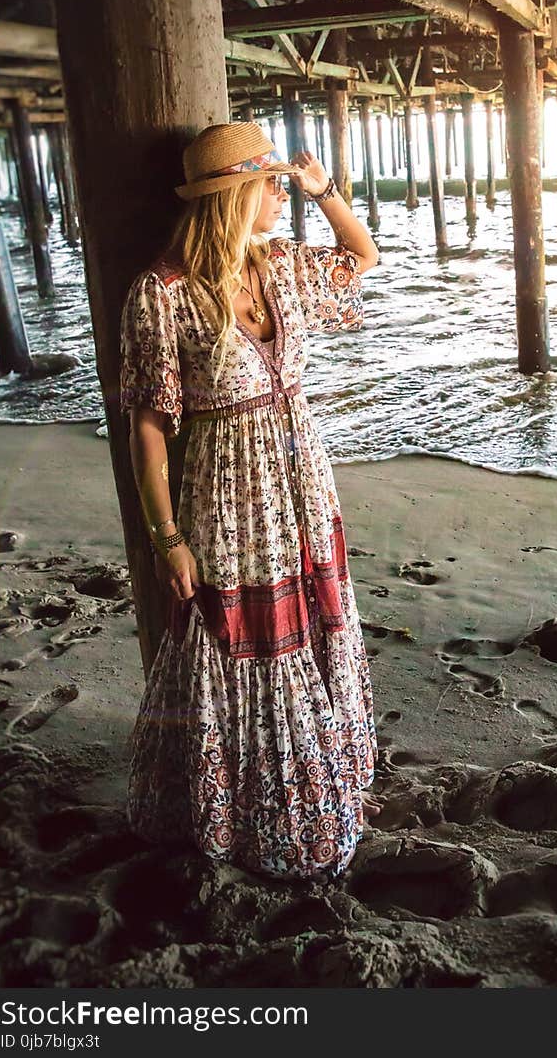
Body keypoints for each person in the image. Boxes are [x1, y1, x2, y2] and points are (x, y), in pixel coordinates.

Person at [119, 120, 382, 880]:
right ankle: (245, 807)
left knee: (313, 619)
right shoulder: (161, 293)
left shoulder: (280, 265)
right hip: (230, 498)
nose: (278, 191)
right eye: (268, 182)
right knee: (247, 638)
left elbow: (361, 257)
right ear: (231, 194)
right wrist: (167, 538)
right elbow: (147, 426)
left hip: (300, 483)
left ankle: (319, 771)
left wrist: (323, 189)